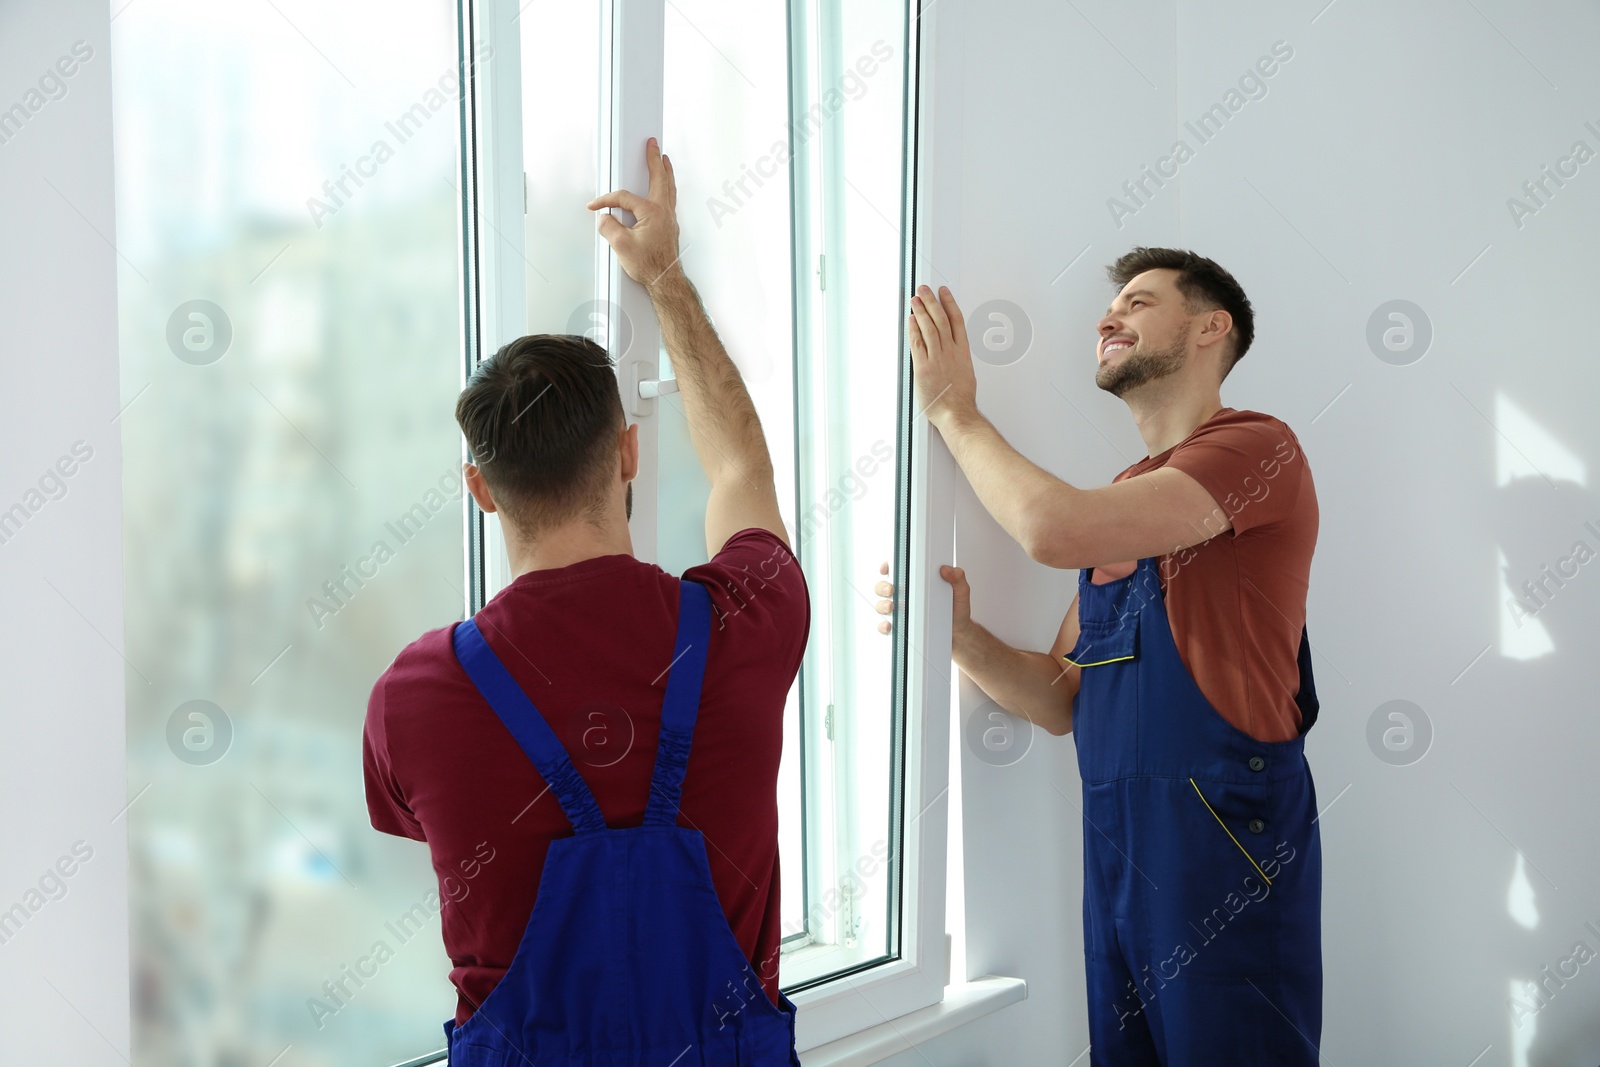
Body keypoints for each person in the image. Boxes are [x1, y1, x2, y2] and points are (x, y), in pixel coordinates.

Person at [362, 137, 808, 1064]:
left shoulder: (416, 692)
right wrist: (667, 279)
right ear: (630, 454)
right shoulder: (742, 624)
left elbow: (414, 819)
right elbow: (741, 469)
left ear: (480, 488)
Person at [876, 251, 1322, 1064]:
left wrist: (952, 409)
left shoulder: (1258, 449)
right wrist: (959, 634)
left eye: (1138, 302)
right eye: (1109, 306)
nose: (1106, 318)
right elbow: (1058, 698)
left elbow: (1054, 530)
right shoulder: (1128, 495)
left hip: (1222, 844)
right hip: (1122, 856)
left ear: (1210, 328)